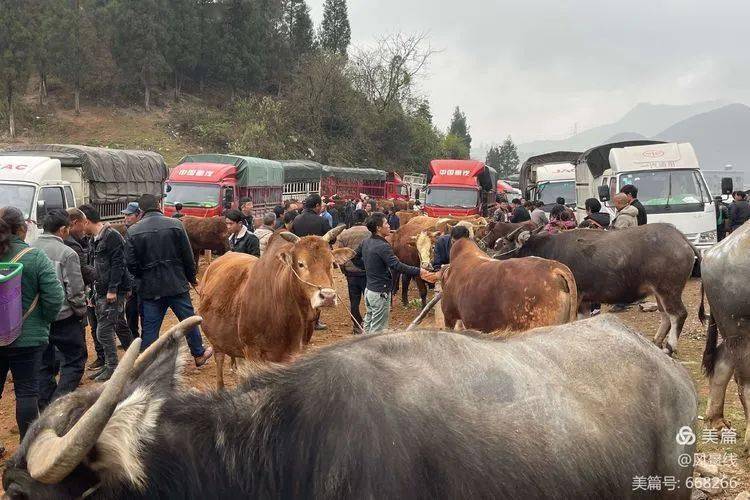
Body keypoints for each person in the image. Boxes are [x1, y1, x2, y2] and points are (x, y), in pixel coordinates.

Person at [125, 194, 213, 366]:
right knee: (188, 320)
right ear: (159, 205)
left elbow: (131, 264)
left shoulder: (133, 231)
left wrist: (142, 278)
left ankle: (146, 364)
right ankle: (199, 354)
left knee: (150, 328)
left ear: (141, 211)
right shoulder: (176, 225)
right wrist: (190, 278)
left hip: (150, 289)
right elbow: (188, 256)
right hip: (176, 284)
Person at [0, 207, 63, 441]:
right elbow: (55, 297)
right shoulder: (34, 257)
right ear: (20, 229)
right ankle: (26, 450)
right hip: (27, 337)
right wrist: (43, 320)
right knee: (26, 392)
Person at [32, 210, 87, 410]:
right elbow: (74, 290)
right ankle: (60, 404)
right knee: (75, 359)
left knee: (44, 364)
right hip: (64, 318)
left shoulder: (30, 249)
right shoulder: (67, 253)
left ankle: (45, 405)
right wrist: (81, 312)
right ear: (63, 229)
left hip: (38, 319)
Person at [353, 213, 438, 334]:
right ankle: (375, 351)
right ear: (378, 228)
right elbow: (396, 265)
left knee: (368, 323)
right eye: (386, 223)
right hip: (380, 293)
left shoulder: (366, 242)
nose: (389, 226)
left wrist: (368, 268)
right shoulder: (383, 246)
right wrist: (418, 270)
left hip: (369, 291)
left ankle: (363, 346)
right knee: (378, 330)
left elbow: (354, 258)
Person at [78, 204, 132, 381]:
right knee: (119, 325)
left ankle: (113, 367)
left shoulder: (111, 236)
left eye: (80, 223)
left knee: (104, 331)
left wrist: (112, 289)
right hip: (99, 290)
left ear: (86, 221)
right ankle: (134, 359)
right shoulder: (94, 238)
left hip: (111, 291)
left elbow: (119, 264)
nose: (79, 227)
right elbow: (95, 267)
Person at [65, 208, 100, 370]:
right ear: (74, 223)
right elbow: (83, 273)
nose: (84, 228)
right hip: (71, 302)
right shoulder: (72, 245)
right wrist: (101, 274)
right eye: (83, 223)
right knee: (76, 344)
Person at [335, 209, 370, 335]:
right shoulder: (370, 233)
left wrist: (344, 269)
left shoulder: (344, 234)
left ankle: (356, 324)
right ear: (366, 219)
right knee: (369, 301)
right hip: (367, 272)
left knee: (354, 301)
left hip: (351, 273)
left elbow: (340, 255)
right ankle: (369, 324)